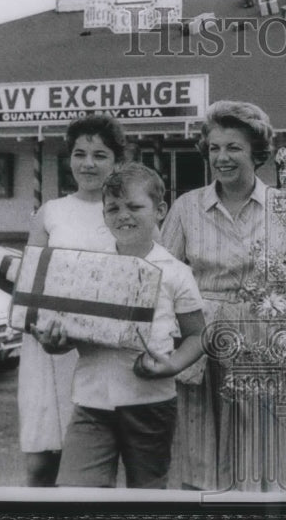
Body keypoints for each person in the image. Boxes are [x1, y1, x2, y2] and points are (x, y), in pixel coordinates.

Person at [160, 100, 286, 492]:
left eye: (233, 148)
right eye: (214, 148)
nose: (222, 157)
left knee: (266, 460)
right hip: (202, 345)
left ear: (257, 153)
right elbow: (161, 282)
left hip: (265, 347)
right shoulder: (186, 208)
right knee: (202, 458)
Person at [0, 114, 125, 486]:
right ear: (68, 157)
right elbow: (30, 287)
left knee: (88, 466)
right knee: (41, 464)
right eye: (79, 153)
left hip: (97, 350)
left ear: (117, 161)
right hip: (44, 345)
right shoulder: (50, 212)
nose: (88, 163)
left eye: (100, 155)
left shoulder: (125, 212)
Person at [35, 163, 207, 488]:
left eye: (134, 206)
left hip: (150, 403)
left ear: (160, 210)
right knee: (75, 493)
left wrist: (172, 365)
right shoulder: (87, 267)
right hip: (91, 402)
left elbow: (197, 335)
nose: (122, 215)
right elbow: (68, 335)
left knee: (148, 495)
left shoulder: (175, 271)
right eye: (112, 208)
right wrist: (53, 340)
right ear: (103, 215)